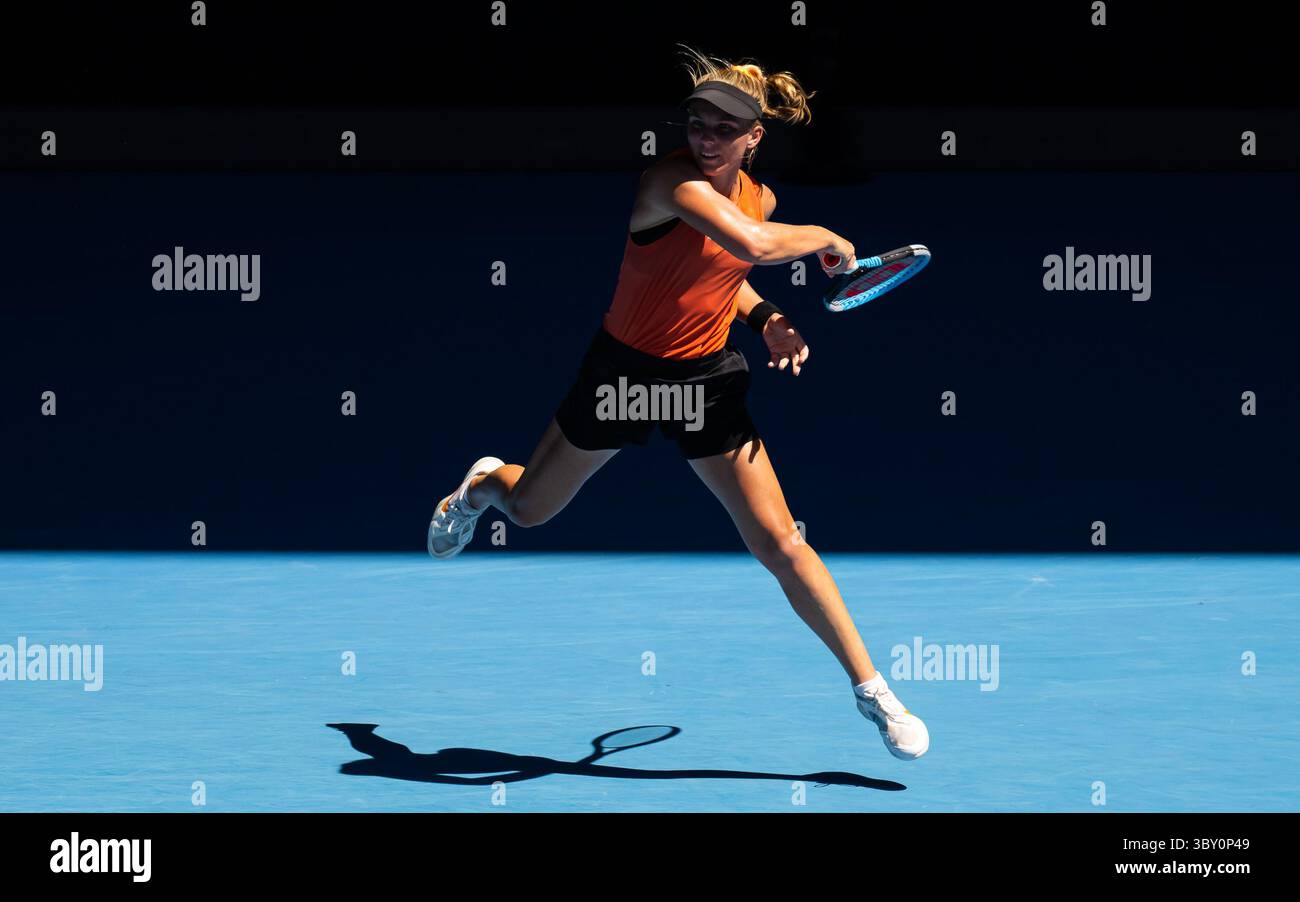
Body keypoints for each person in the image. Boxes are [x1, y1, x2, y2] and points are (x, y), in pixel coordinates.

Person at [428, 47, 929, 761]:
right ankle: (482, 486)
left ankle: (873, 691)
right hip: (624, 376)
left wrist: (764, 319)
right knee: (533, 509)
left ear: (755, 137)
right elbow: (752, 245)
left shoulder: (761, 198)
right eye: (699, 120)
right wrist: (827, 238)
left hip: (705, 381)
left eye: (727, 127)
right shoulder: (670, 181)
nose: (708, 136)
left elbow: (729, 272)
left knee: (782, 543)